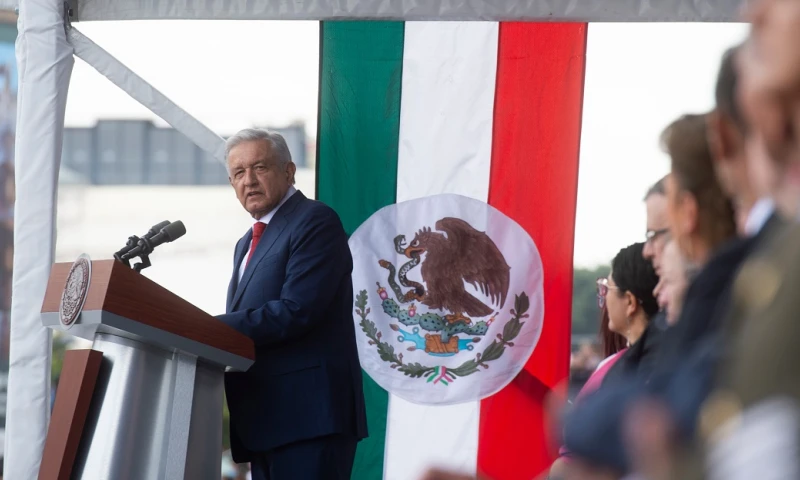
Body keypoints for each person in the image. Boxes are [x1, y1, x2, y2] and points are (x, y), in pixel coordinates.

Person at [217, 128, 368, 480]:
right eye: (239, 173)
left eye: (260, 168)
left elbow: (298, 310)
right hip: (265, 417)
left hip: (310, 417)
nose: (249, 181)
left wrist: (208, 327)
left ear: (289, 171)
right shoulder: (246, 243)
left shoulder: (314, 221)